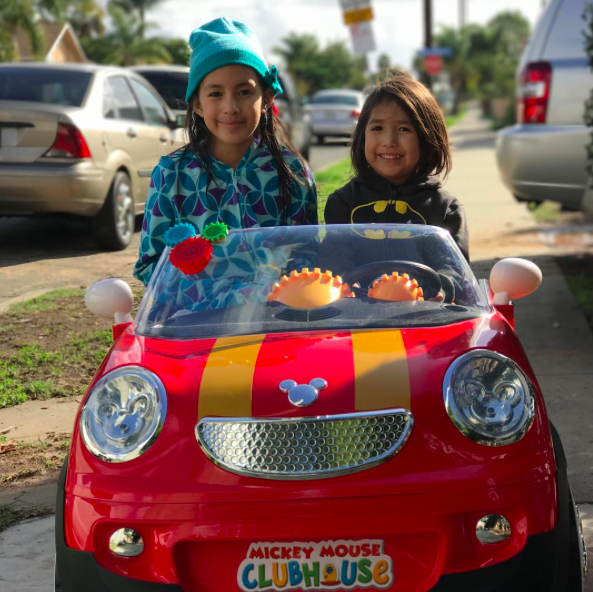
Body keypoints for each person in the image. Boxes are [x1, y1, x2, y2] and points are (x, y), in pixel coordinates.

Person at [133, 17, 318, 286]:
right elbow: (150, 266)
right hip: (193, 313)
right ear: (197, 103)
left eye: (244, 92)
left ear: (266, 99)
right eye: (216, 94)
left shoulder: (294, 174)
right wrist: (220, 295)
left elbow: (307, 258)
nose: (230, 107)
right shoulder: (171, 176)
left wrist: (269, 294)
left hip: (273, 312)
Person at [324, 69, 469, 262]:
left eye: (403, 129)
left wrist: (436, 282)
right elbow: (333, 266)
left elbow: (453, 272)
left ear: (427, 139)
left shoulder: (445, 210)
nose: (389, 141)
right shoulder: (342, 203)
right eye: (377, 128)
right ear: (362, 137)